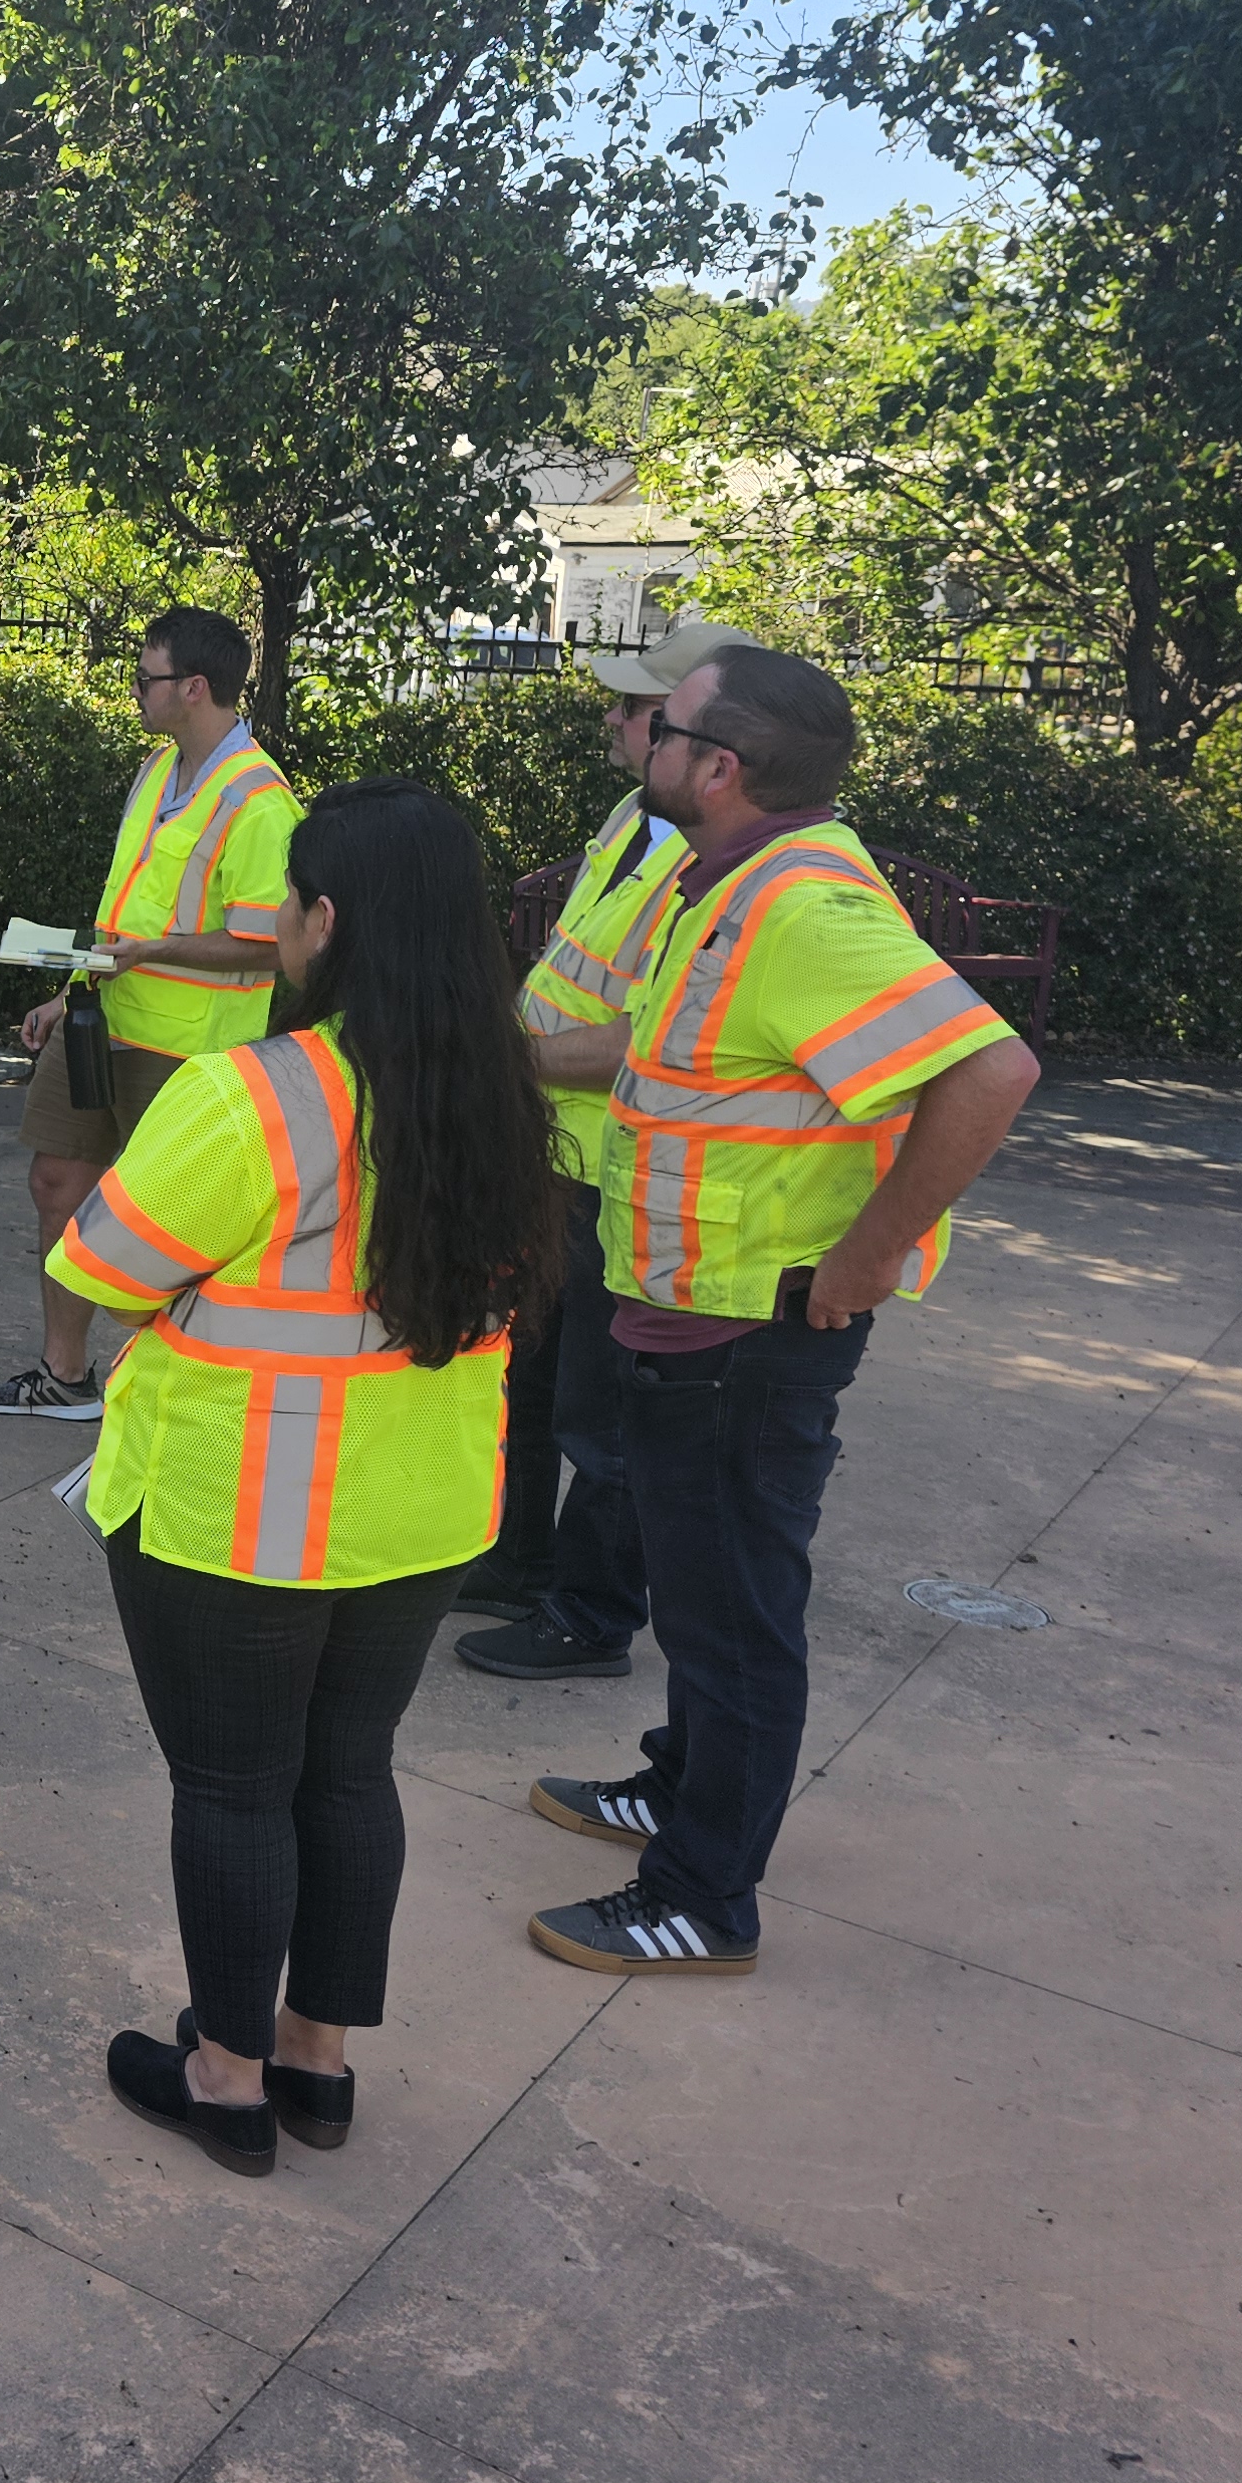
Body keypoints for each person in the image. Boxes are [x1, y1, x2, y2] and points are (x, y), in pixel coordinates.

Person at [56, 778, 562, 2177]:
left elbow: (96, 1266)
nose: (279, 922)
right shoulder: (501, 1094)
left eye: (288, 901)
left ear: (327, 918)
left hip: (241, 1515)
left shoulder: (258, 1097)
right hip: (423, 1509)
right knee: (348, 1774)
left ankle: (223, 2079)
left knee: (232, 1787)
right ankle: (315, 2061)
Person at [518, 647, 1036, 1976]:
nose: (648, 743)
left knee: (736, 1615)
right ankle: (675, 1787)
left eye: (668, 728)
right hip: (690, 1313)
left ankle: (704, 1897)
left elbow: (990, 1071)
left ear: (722, 766)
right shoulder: (725, 882)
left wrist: (867, 1259)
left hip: (755, 1334)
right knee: (702, 1596)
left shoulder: (805, 905)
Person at [449, 617, 742, 1679]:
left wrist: (495, 1064)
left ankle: (591, 1613)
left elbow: (638, 1043)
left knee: (599, 1411)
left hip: (617, 1172)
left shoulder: (710, 871)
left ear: (700, 739)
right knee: (523, 1377)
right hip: (556, 1157)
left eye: (634, 709)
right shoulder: (635, 819)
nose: (613, 721)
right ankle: (520, 1559)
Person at [0, 605, 296, 1421]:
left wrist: (152, 954)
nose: (136, 691)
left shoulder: (261, 801)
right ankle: (64, 1376)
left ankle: (172, 1391)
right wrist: (67, 988)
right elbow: (126, 913)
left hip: (188, 1055)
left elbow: (268, 946)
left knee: (171, 1229)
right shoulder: (157, 768)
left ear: (193, 687)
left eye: (146, 678)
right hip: (102, 1022)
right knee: (56, 1184)